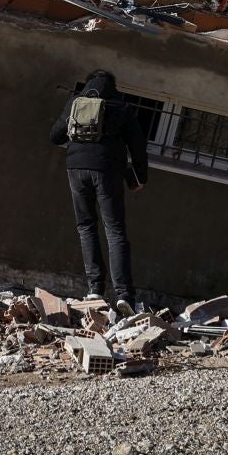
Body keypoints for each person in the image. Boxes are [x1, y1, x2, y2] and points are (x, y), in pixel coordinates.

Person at [50, 68, 147, 310]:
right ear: (113, 86)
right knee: (114, 231)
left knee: (86, 227)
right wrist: (139, 178)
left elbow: (55, 136)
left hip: (76, 168)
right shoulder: (121, 107)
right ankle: (124, 294)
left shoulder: (76, 102)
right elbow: (137, 146)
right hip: (107, 171)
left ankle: (95, 290)